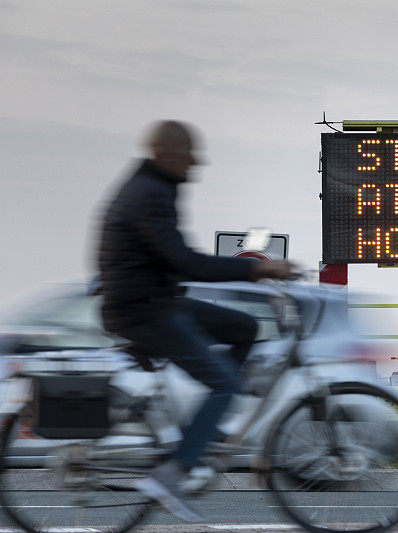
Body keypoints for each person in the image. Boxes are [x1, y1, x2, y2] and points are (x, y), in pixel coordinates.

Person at [97, 120, 295, 521]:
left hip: (157, 300)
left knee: (245, 328)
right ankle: (172, 474)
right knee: (224, 382)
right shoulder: (150, 194)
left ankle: (203, 434)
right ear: (167, 153)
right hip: (145, 309)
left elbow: (174, 260)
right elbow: (184, 262)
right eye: (190, 152)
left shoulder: (153, 188)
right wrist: (258, 271)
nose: (198, 162)